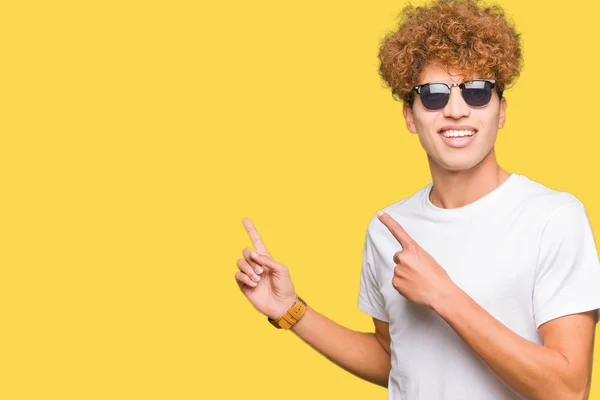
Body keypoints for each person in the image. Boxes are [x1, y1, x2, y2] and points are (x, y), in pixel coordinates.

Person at [234, 0, 600, 398]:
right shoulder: (389, 228)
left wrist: (445, 296)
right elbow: (396, 360)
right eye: (434, 95)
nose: (457, 111)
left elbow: (568, 389)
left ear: (501, 111)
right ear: (410, 116)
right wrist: (292, 312)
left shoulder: (553, 218)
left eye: (477, 92)